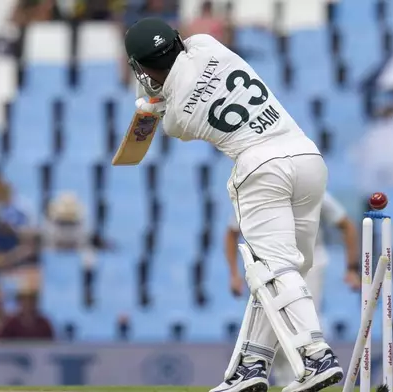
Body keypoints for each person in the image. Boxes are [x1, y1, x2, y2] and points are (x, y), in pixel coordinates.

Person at [123, 17, 343, 392]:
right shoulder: (207, 43)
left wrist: (153, 107)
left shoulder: (177, 121)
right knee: (287, 271)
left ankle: (316, 355)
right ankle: (252, 367)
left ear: (142, 68)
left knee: (274, 269)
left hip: (260, 168)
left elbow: (174, 111)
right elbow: (191, 60)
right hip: (307, 157)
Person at [225, 192, 359, 386]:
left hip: (309, 263)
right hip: (267, 264)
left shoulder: (311, 186)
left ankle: (312, 366)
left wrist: (352, 269)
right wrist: (233, 275)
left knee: (300, 326)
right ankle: (288, 379)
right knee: (273, 329)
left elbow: (347, 225)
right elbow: (231, 232)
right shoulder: (257, 190)